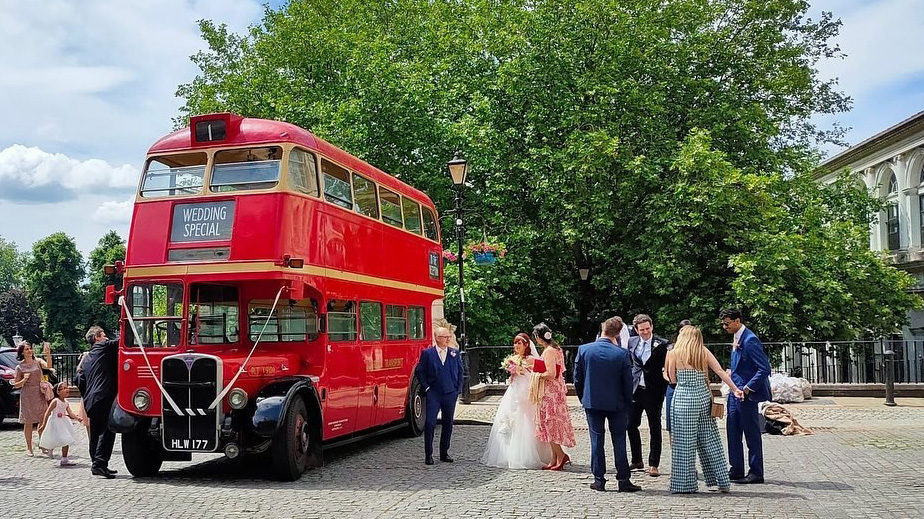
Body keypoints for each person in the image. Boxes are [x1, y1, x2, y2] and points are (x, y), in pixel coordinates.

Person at [664, 325, 743, 494]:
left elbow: (672, 378)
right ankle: (722, 481)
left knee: (683, 444)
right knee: (711, 440)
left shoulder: (673, 353)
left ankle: (684, 485)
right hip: (702, 398)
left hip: (683, 400)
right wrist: (735, 389)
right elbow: (720, 371)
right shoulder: (703, 352)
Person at [573, 317, 640, 492]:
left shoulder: (584, 350)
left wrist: (584, 398)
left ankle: (599, 479)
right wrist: (627, 402)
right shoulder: (622, 354)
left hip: (592, 402)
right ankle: (623, 480)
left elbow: (577, 379)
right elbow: (628, 381)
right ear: (618, 334)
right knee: (619, 441)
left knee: (596, 440)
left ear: (602, 329)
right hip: (617, 404)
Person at [482, 333, 551, 469]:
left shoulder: (531, 358)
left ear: (526, 345)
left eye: (519, 343)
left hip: (526, 390)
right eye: (515, 343)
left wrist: (522, 370)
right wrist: (513, 372)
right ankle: (508, 453)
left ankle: (531, 453)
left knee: (525, 419)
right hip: (514, 390)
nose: (516, 346)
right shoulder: (514, 358)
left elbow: (537, 373)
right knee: (509, 418)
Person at [721, 308, 772, 484]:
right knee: (733, 430)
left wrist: (749, 388)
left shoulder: (750, 340)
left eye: (727, 323)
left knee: (751, 433)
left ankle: (756, 472)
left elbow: (764, 368)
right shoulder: (737, 337)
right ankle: (736, 469)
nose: (724, 326)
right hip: (735, 392)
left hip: (746, 394)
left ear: (737, 321)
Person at [626, 314, 669, 477]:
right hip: (636, 389)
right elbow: (631, 362)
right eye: (642, 329)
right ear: (636, 330)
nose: (645, 332)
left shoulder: (662, 343)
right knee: (630, 425)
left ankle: (654, 463)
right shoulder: (632, 342)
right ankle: (637, 459)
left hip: (654, 390)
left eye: (647, 328)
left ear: (652, 327)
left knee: (654, 426)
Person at [415, 326, 464, 465]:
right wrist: (427, 387)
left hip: (450, 393)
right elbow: (420, 371)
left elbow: (461, 372)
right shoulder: (428, 354)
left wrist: (457, 390)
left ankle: (444, 452)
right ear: (437, 338)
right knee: (430, 423)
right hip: (434, 393)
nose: (448, 339)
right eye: (445, 337)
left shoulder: (454, 353)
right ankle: (428, 454)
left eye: (449, 336)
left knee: (448, 424)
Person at [533, 322, 576, 471]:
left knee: (551, 424)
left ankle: (560, 455)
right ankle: (555, 457)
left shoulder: (549, 351)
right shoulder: (555, 349)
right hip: (553, 390)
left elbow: (551, 373)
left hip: (550, 392)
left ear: (539, 337)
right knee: (548, 425)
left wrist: (537, 375)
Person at [79, 325, 120, 478]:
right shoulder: (103, 346)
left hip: (90, 399)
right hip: (103, 396)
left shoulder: (88, 357)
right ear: (97, 337)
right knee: (107, 430)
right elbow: (122, 341)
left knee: (95, 432)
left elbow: (80, 379)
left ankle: (96, 463)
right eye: (103, 335)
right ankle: (100, 464)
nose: (106, 337)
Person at [11, 340, 52, 457]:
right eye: (26, 349)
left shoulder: (37, 361)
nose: (29, 351)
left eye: (30, 348)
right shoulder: (20, 367)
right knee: (28, 421)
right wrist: (24, 380)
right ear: (22, 352)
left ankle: (42, 444)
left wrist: (48, 355)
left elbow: (49, 366)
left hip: (39, 393)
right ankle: (29, 447)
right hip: (27, 394)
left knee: (42, 419)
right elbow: (16, 384)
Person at [38, 382, 82, 467]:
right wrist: (44, 424)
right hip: (55, 422)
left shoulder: (66, 402)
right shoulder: (55, 401)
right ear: (58, 392)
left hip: (64, 422)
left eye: (67, 387)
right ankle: (50, 448)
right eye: (64, 388)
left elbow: (70, 412)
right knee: (54, 438)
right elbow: (48, 412)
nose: (67, 389)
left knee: (66, 439)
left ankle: (64, 458)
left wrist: (77, 418)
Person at [663, 319, 692, 436]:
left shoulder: (696, 349)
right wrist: (672, 380)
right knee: (673, 426)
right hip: (674, 387)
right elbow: (665, 372)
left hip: (690, 387)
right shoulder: (671, 349)